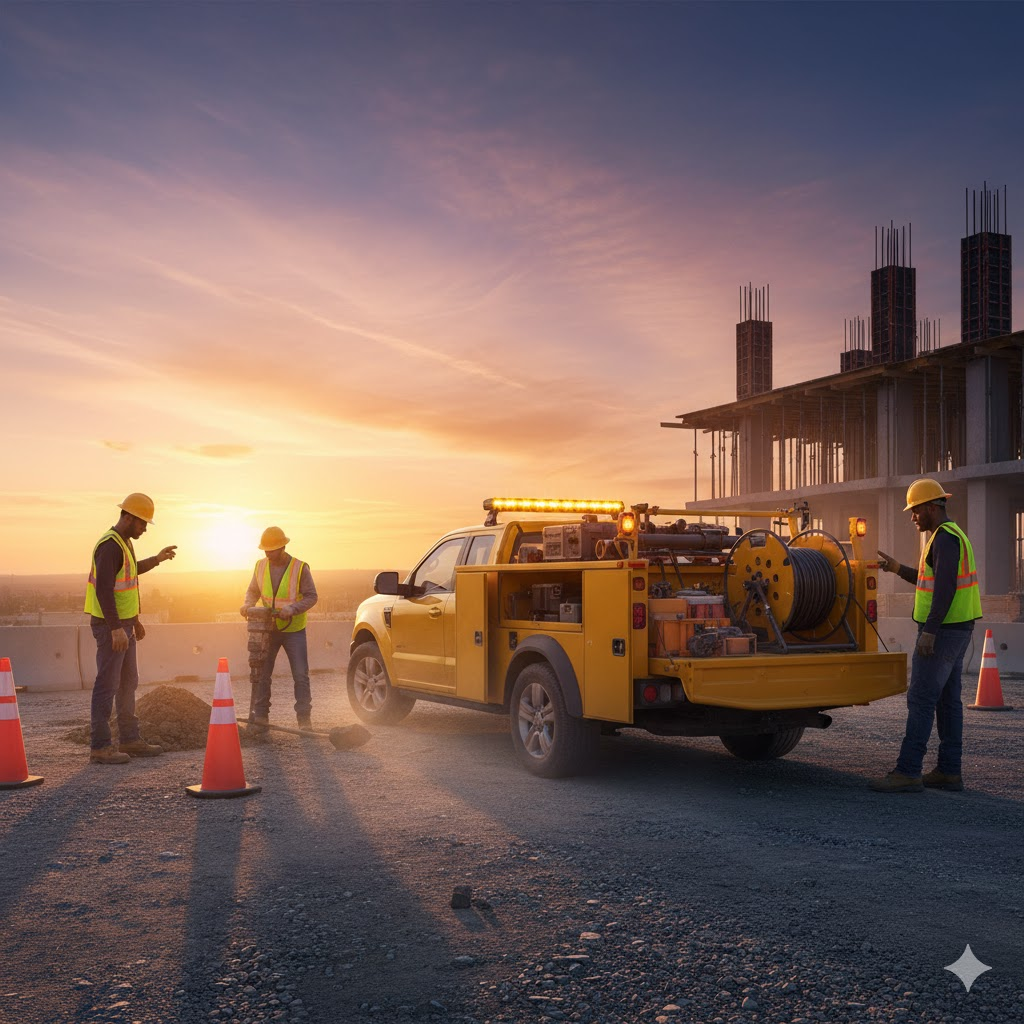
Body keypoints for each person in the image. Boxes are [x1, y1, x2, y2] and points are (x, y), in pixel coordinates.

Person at [870, 479, 982, 793]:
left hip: (943, 631)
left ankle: (907, 771)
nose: (912, 517)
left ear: (932, 507)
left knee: (920, 698)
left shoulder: (944, 539)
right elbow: (929, 578)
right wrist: (896, 568)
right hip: (958, 628)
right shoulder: (948, 537)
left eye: (916, 510)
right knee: (947, 701)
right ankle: (949, 771)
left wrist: (930, 631)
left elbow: (944, 589)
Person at [84, 492, 177, 765]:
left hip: (124, 625)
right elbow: (103, 590)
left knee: (128, 682)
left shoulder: (123, 543)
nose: (145, 528)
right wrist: (115, 629)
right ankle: (100, 746)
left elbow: (130, 574)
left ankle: (129, 739)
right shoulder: (110, 545)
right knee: (107, 684)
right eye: (142, 523)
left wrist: (134, 620)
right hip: (110, 627)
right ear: (128, 517)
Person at [240, 527, 318, 729]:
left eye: (272, 550)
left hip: (293, 631)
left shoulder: (300, 568)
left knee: (300, 675)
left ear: (283, 547)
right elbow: (252, 591)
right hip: (268, 629)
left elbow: (312, 596)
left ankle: (304, 721)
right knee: (262, 674)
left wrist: (292, 609)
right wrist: (248, 604)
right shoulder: (260, 566)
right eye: (265, 550)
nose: (268, 554)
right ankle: (261, 718)